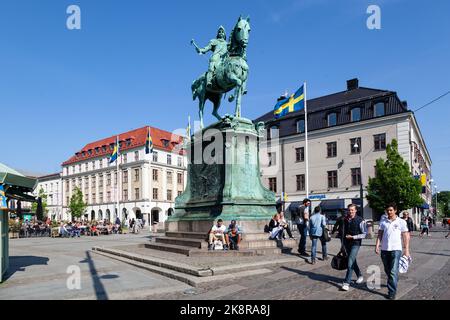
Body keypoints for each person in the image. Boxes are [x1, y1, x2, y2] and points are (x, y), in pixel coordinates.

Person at [375, 203, 411, 300]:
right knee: (387, 270)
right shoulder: (383, 222)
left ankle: (392, 292)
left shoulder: (401, 222)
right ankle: (394, 280)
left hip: (396, 249)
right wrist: (377, 245)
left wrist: (406, 250)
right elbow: (380, 234)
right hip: (385, 250)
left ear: (395, 210)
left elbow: (405, 236)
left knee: (392, 272)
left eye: (391, 210)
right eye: (387, 210)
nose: (389, 212)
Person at [341, 204, 367, 291]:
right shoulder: (345, 219)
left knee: (350, 262)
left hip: (355, 243)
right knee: (352, 260)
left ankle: (346, 282)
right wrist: (342, 245)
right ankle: (359, 275)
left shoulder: (360, 220)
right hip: (347, 243)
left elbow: (364, 234)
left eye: (352, 210)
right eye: (349, 210)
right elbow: (343, 232)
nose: (350, 212)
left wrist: (353, 237)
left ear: (356, 210)